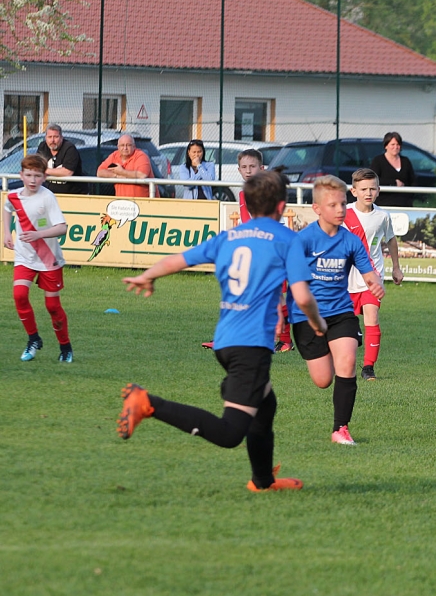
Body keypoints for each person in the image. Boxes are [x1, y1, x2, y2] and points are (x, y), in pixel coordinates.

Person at [116, 170, 327, 492]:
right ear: (281, 206)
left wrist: (148, 275)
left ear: (247, 204)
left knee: (265, 405)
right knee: (230, 433)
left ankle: (263, 481)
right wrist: (317, 323)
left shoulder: (229, 237)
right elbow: (302, 296)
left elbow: (178, 260)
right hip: (251, 347)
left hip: (226, 341)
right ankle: (147, 402)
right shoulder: (287, 239)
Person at [287, 176, 386, 445]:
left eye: (343, 203)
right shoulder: (303, 240)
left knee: (348, 362)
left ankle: (340, 428)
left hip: (341, 311)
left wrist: (375, 283)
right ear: (317, 208)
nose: (341, 209)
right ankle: (327, 351)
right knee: (323, 380)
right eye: (333, 205)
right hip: (306, 316)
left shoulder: (351, 241)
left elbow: (368, 272)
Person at [202, 149, 293, 352]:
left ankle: (285, 338)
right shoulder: (244, 194)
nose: (248, 170)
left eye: (253, 166)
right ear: (239, 170)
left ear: (262, 168)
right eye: (244, 167)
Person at [2, 154, 74, 363]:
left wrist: (38, 234)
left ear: (44, 177)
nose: (32, 180)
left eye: (37, 176)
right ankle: (33, 339)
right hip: (24, 257)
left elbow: (62, 227)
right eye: (29, 175)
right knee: (19, 295)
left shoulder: (47, 197)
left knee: (52, 306)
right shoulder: (14, 196)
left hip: (48, 258)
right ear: (21, 175)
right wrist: (6, 233)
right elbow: (7, 208)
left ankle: (65, 347)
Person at [345, 168, 404, 381]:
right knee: (345, 323)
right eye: (363, 189)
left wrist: (396, 267)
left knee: (372, 316)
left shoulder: (382, 216)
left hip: (372, 275)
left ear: (378, 190)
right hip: (346, 278)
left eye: (372, 188)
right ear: (354, 191)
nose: (368, 193)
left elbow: (391, 239)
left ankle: (368, 367)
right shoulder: (343, 213)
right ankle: (353, 336)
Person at [369, 132, 416, 207]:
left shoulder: (406, 161)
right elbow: (373, 180)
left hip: (404, 204)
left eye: (398, 144)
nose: (396, 147)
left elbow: (413, 181)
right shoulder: (378, 161)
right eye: (393, 144)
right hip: (384, 204)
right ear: (386, 146)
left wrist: (409, 197)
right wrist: (393, 183)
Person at [36, 124, 86, 195]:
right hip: (49, 193)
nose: (52, 140)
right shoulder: (42, 147)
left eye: (56, 137)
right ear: (45, 138)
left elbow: (67, 172)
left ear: (61, 137)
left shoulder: (69, 148)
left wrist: (45, 170)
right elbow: (37, 166)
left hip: (73, 194)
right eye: (50, 137)